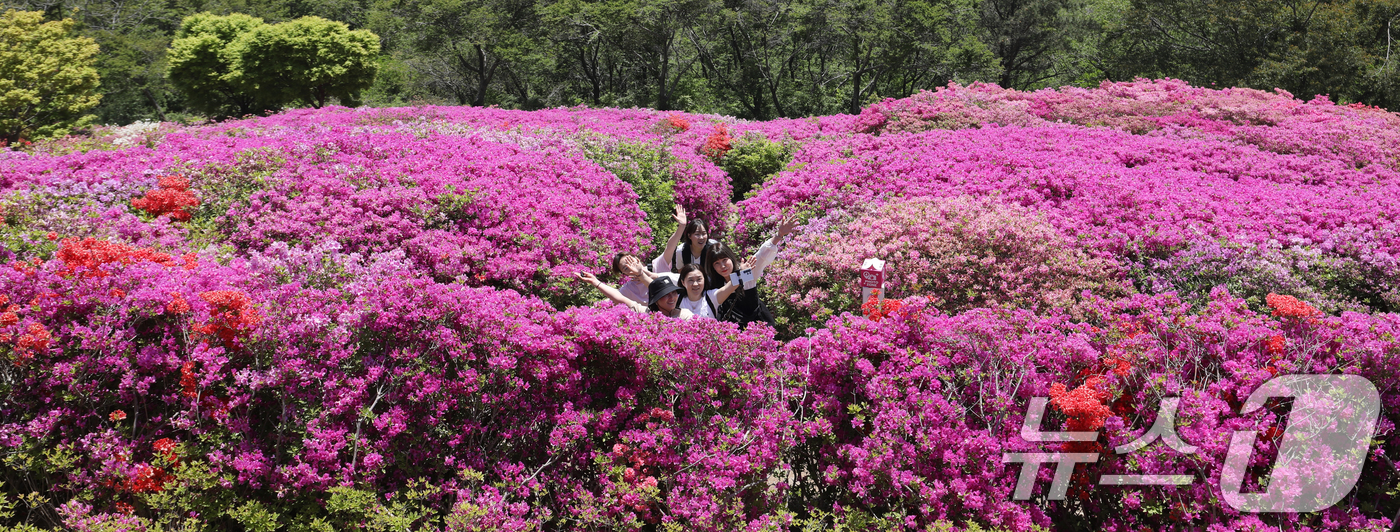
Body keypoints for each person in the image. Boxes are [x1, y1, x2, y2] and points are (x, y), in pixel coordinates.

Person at [701, 214, 799, 329]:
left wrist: (779, 235)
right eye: (716, 263)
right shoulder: (713, 284)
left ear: (731, 258)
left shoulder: (746, 270)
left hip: (758, 326)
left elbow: (761, 256)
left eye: (724, 260)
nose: (722, 266)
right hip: (735, 331)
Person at [575, 272, 693, 319]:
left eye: (674, 293)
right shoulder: (646, 313)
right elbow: (619, 298)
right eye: (666, 295)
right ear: (656, 300)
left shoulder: (685, 315)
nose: (672, 297)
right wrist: (595, 282)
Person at [655, 205, 716, 273]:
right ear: (689, 236)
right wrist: (682, 226)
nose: (701, 237)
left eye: (704, 233)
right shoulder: (681, 250)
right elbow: (681, 272)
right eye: (697, 234)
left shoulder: (714, 248)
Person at [675, 263, 744, 320]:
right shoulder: (676, 299)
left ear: (704, 280)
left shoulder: (711, 297)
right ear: (683, 282)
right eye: (691, 280)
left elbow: (733, 284)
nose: (695, 284)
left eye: (699, 279)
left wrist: (743, 271)